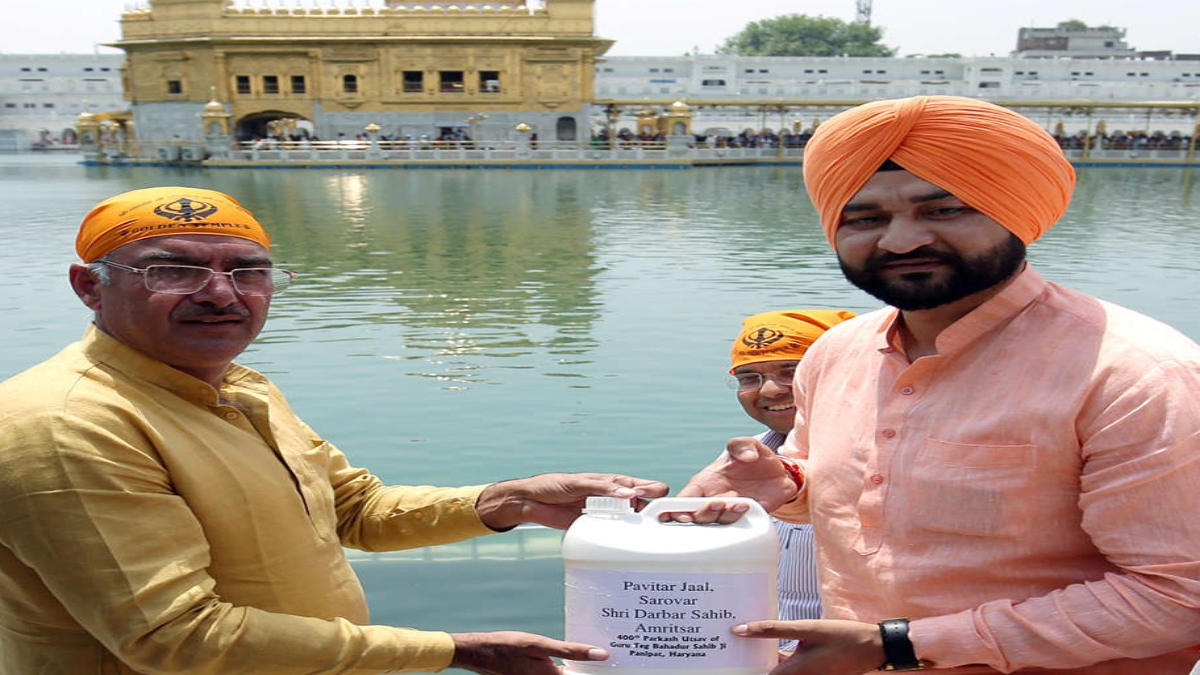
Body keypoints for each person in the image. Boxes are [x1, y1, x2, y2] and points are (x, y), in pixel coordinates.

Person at [0, 186, 669, 675]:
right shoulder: (65, 424)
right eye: (171, 270)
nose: (220, 293)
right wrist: (453, 648)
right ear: (89, 286)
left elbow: (352, 508)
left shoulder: (237, 387)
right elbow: (177, 638)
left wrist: (509, 501)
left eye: (247, 271)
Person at [679, 95, 1200, 674]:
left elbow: (1179, 597)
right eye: (866, 218)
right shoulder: (837, 353)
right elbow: (837, 488)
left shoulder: (1134, 375)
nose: (901, 240)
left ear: (1014, 212)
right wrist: (784, 479)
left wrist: (898, 643)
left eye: (944, 210)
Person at [726, 309, 855, 647]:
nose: (769, 391)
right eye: (748, 378)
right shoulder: (739, 466)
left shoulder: (891, 470)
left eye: (792, 373)